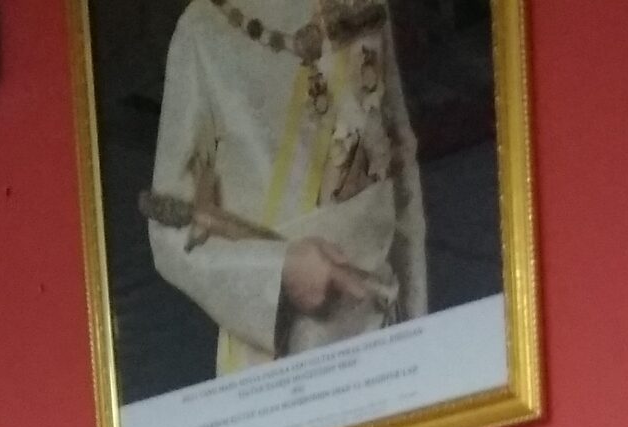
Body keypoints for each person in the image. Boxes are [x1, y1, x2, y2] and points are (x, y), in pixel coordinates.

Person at [145, 0, 426, 378]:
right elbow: (170, 230)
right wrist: (279, 270)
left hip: (384, 326)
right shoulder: (204, 27)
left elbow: (399, 157)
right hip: (280, 353)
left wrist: (418, 322)